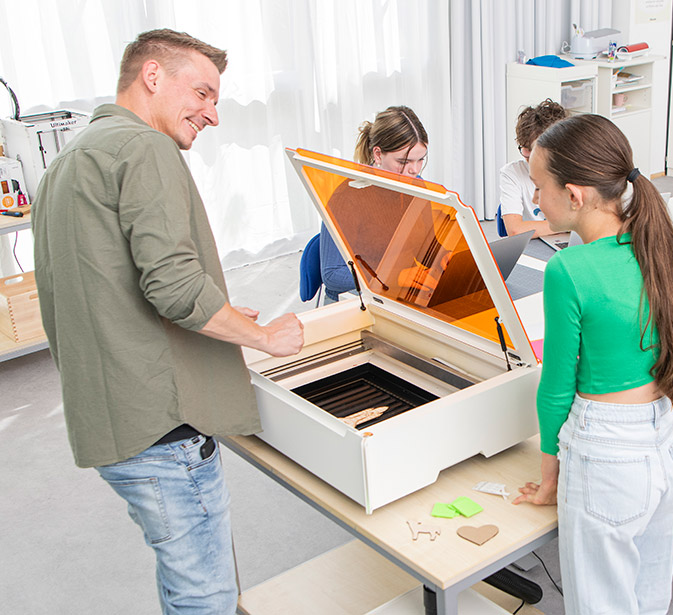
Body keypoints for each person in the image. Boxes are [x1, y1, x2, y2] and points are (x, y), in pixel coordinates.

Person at [31, 29, 304, 614]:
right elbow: (173, 286)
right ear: (153, 77)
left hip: (111, 422)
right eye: (202, 93)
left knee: (183, 576)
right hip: (163, 429)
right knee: (204, 593)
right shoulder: (145, 149)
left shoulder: (70, 161)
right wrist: (262, 335)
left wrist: (224, 313)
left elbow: (98, 286)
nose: (212, 114)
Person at [513, 114, 673, 615]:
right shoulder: (656, 242)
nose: (534, 200)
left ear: (574, 195)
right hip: (664, 443)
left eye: (538, 186)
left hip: (608, 455)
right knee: (649, 596)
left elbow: (555, 388)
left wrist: (549, 479)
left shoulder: (568, 268)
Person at [318, 105, 428, 303]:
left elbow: (429, 242)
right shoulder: (346, 197)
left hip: (397, 293)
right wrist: (394, 278)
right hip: (354, 299)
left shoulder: (416, 187)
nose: (414, 170)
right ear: (378, 154)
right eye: (404, 161)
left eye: (420, 160)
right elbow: (332, 276)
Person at [497, 98, 566, 238]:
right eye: (525, 149)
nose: (529, 157)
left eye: (535, 150)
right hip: (534, 245)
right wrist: (568, 225)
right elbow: (515, 230)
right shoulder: (512, 173)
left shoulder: (576, 169)